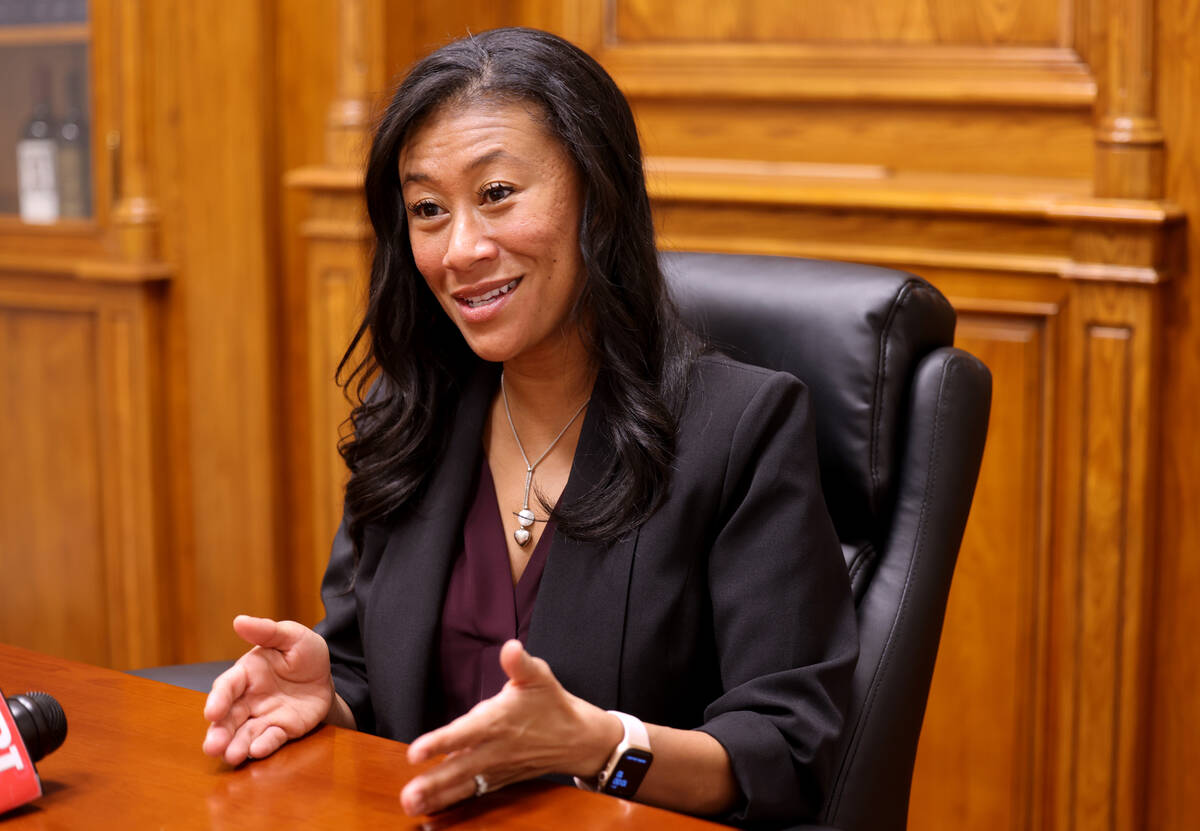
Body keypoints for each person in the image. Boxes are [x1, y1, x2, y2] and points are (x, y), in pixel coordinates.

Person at [202, 26, 857, 827]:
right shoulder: (411, 419)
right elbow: (369, 668)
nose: (462, 249)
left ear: (597, 194)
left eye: (499, 193)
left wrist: (600, 745)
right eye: (428, 210)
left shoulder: (739, 428)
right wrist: (327, 699)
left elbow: (788, 752)